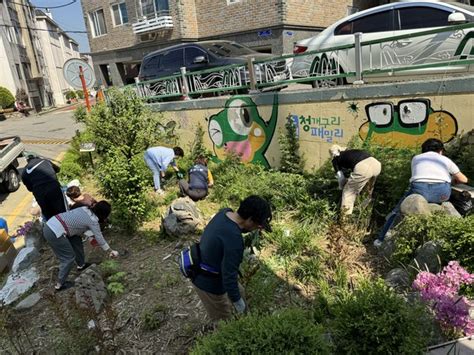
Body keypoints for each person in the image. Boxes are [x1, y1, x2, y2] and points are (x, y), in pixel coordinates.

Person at [374, 138, 468, 247]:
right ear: (441, 150)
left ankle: (380, 240)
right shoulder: (445, 159)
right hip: (442, 195)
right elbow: (464, 180)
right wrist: (451, 179)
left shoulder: (416, 158)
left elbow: (420, 176)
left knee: (397, 210)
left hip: (419, 191)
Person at [192, 195, 272, 322]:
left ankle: (246, 319)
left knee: (239, 291)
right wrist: (237, 303)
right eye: (258, 226)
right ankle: (228, 334)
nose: (257, 229)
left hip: (207, 265)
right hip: (208, 283)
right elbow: (229, 276)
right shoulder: (234, 240)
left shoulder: (225, 213)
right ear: (250, 220)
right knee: (224, 322)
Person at [42, 201, 119, 291]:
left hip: (53, 223)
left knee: (76, 239)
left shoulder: (84, 208)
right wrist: (110, 250)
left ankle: (81, 264)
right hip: (54, 232)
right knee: (68, 258)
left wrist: (90, 237)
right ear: (103, 214)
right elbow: (99, 238)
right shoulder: (93, 220)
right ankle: (60, 284)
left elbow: (79, 226)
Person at [330, 145, 381, 215]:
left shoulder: (335, 159)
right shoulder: (351, 152)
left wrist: (342, 187)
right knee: (367, 190)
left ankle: (345, 219)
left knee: (348, 192)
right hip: (376, 164)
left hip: (363, 167)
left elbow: (341, 179)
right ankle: (364, 211)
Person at [21, 154, 67, 220]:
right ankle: (66, 225)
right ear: (36, 157)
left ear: (27, 161)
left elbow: (30, 188)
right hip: (53, 188)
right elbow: (57, 169)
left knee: (48, 214)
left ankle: (54, 228)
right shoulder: (45, 161)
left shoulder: (24, 172)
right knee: (61, 210)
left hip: (40, 194)